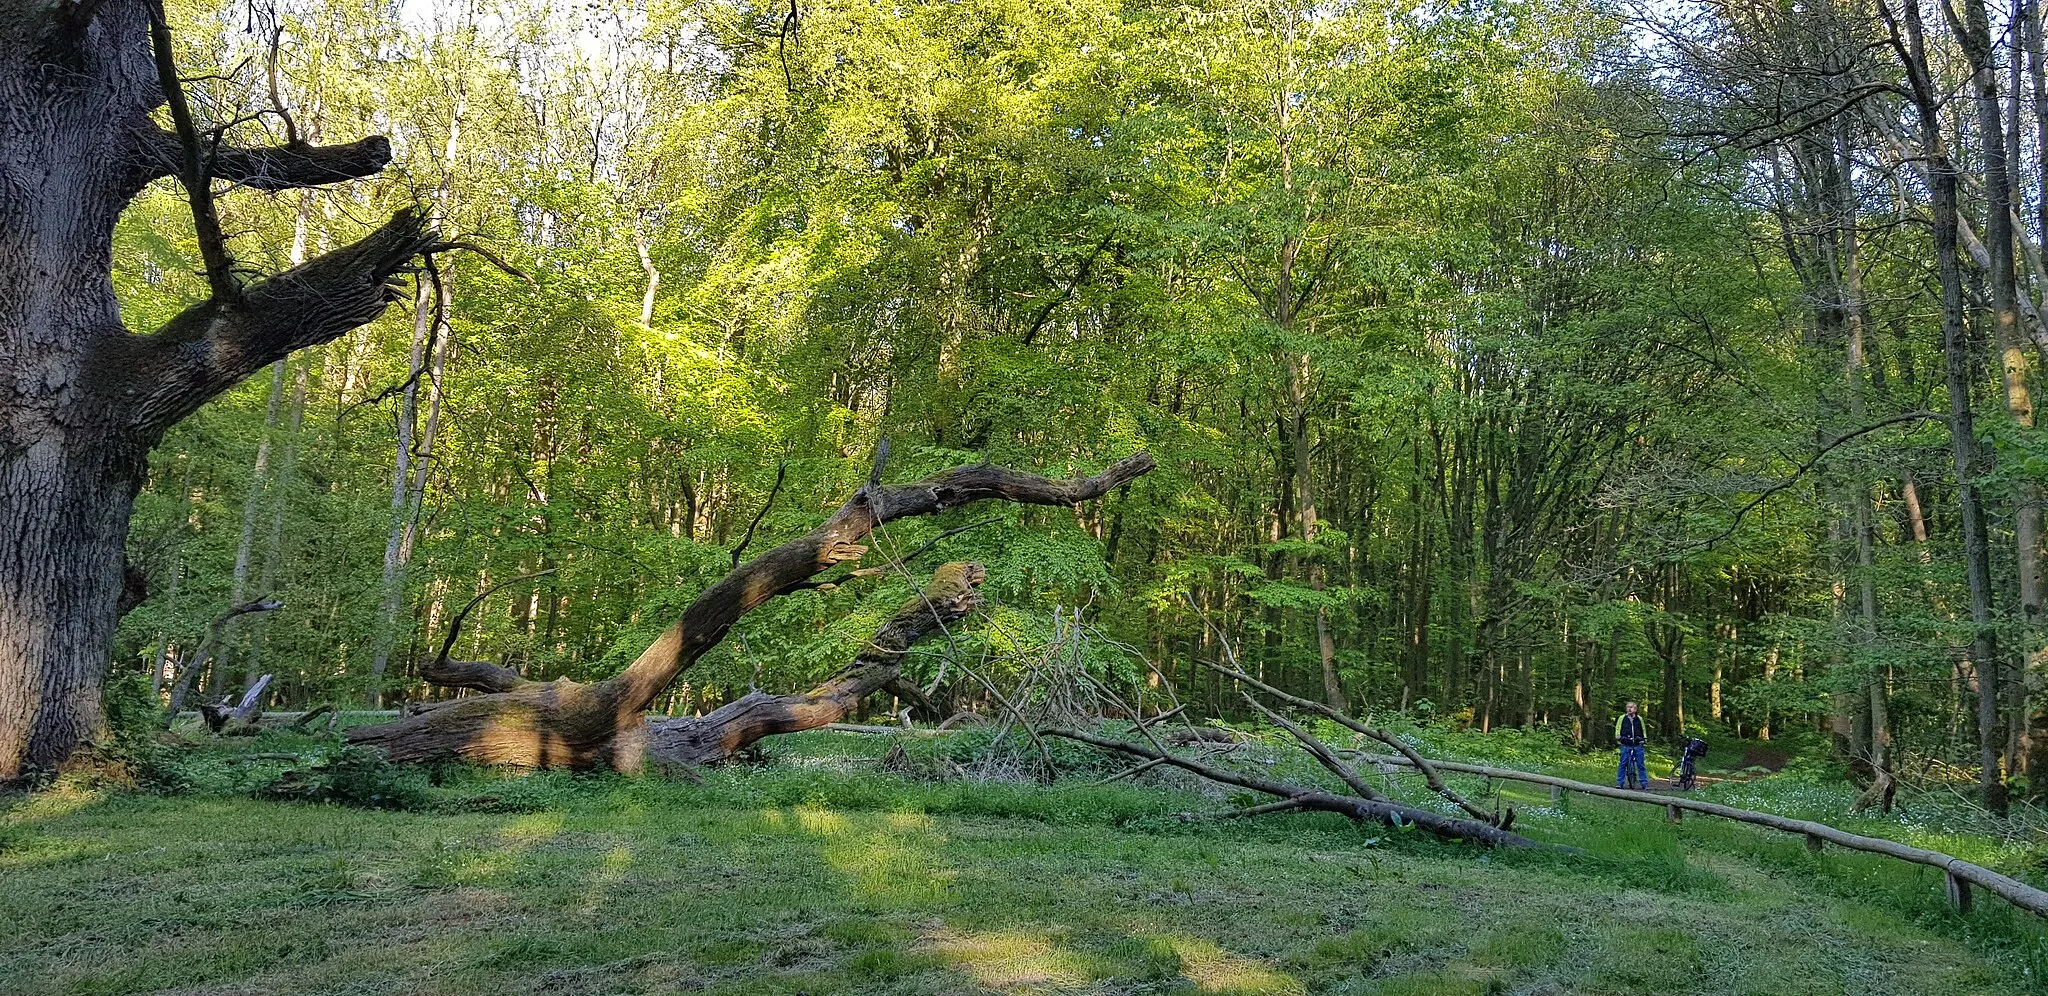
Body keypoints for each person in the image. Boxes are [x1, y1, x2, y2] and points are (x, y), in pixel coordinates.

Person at [1614, 701, 1649, 789]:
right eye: (1628, 707)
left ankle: (1644, 783)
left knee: (1641, 764)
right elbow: (1618, 728)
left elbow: (1643, 729)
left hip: (1637, 744)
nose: (1629, 709)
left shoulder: (1639, 719)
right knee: (1623, 763)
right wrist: (1618, 737)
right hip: (1626, 743)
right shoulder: (1622, 718)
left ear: (1635, 709)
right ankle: (1620, 782)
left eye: (1631, 707)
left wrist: (1644, 739)